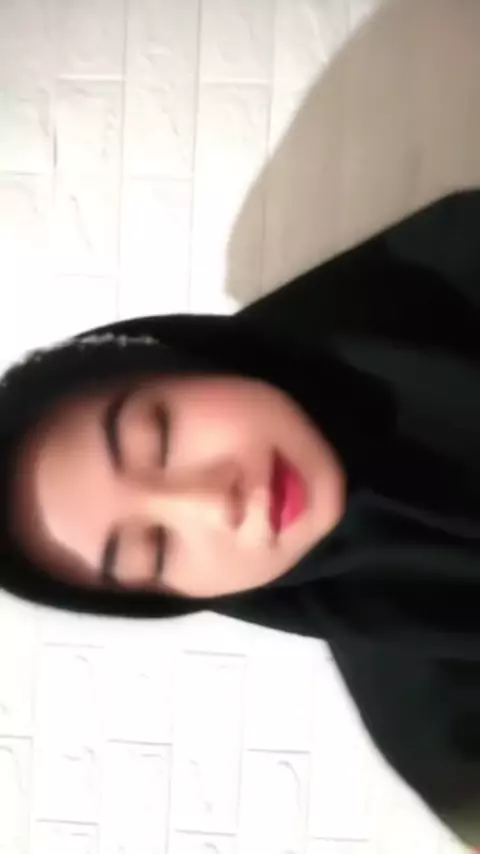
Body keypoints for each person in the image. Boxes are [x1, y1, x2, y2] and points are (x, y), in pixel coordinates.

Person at [2, 189, 480, 847]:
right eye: (156, 550)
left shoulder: (441, 269)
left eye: (160, 437)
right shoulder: (445, 735)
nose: (212, 501)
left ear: (182, 360)